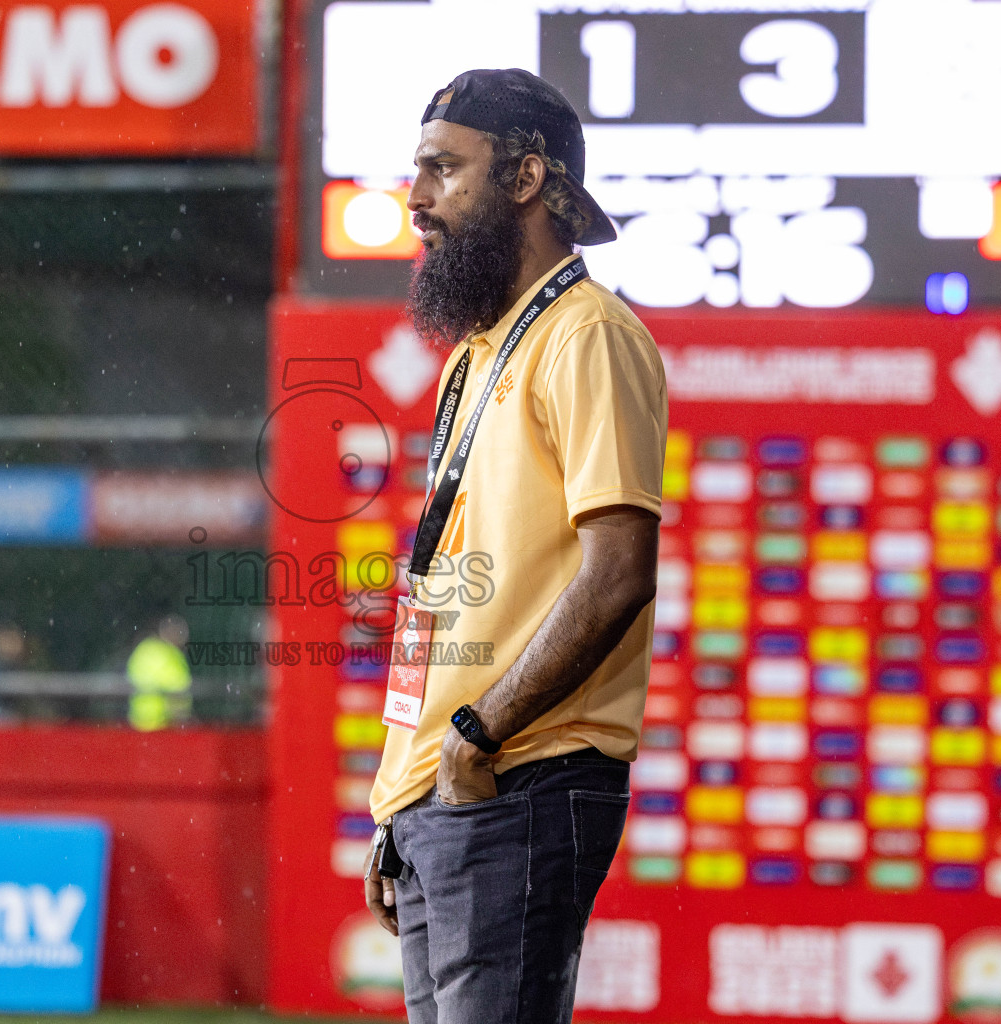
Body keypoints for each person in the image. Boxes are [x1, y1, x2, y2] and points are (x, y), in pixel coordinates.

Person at [363, 68, 668, 1023]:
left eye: (443, 170)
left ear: (527, 177)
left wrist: (473, 741)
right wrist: (399, 798)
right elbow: (444, 589)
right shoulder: (476, 352)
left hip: (519, 774)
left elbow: (618, 571)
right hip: (452, 791)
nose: (416, 198)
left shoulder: (587, 335)